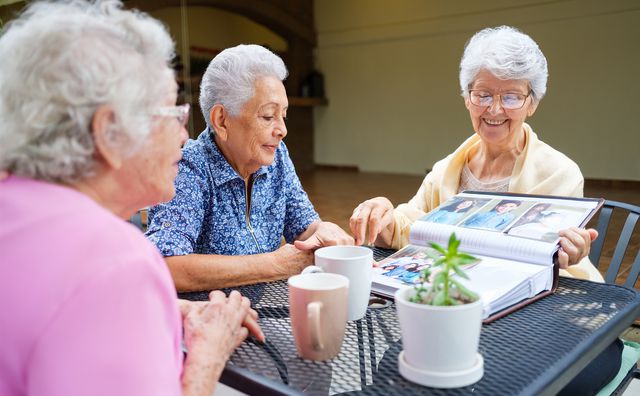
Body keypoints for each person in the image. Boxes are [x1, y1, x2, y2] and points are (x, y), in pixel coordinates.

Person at [0, 1, 263, 395]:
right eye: (173, 112)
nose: (185, 134)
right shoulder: (115, 261)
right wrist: (209, 352)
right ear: (109, 132)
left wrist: (168, 308)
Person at [349, 25, 620, 395]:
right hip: (473, 317)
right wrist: (383, 213)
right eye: (483, 95)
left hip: (551, 316)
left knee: (531, 383)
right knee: (402, 367)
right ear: (466, 98)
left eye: (511, 97)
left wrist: (570, 253)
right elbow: (409, 222)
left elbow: (557, 265)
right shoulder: (449, 168)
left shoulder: (559, 172)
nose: (494, 110)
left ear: (532, 102)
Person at [145, 44, 353, 291]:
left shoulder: (276, 157)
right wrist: (274, 264)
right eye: (267, 116)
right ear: (221, 120)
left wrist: (323, 230)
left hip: (264, 312)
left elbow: (303, 226)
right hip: (212, 319)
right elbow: (166, 266)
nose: (282, 130)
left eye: (283, 116)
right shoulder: (189, 166)